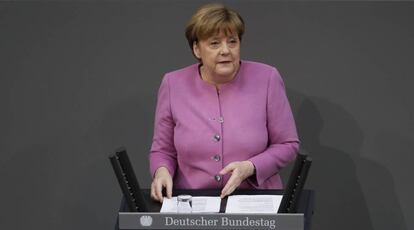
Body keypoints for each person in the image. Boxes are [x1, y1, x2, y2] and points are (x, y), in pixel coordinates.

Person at [149, 3, 299, 203]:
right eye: (214, 43)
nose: (225, 50)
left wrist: (250, 167)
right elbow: (163, 149)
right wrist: (161, 172)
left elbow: (287, 144)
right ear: (196, 48)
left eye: (232, 41)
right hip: (192, 202)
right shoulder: (172, 84)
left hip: (255, 200)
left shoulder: (267, 78)